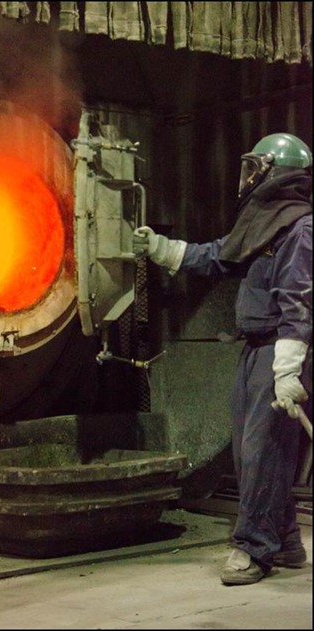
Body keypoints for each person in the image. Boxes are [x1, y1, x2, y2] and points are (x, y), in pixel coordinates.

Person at [132, 132, 312, 586]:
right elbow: (219, 257)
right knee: (255, 450)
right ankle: (286, 542)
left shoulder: (300, 226)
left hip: (281, 350)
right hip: (257, 350)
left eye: (257, 167)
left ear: (276, 173)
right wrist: (161, 249)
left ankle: (254, 548)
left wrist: (289, 368)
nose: (249, 176)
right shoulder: (266, 220)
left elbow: (300, 299)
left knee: (262, 452)